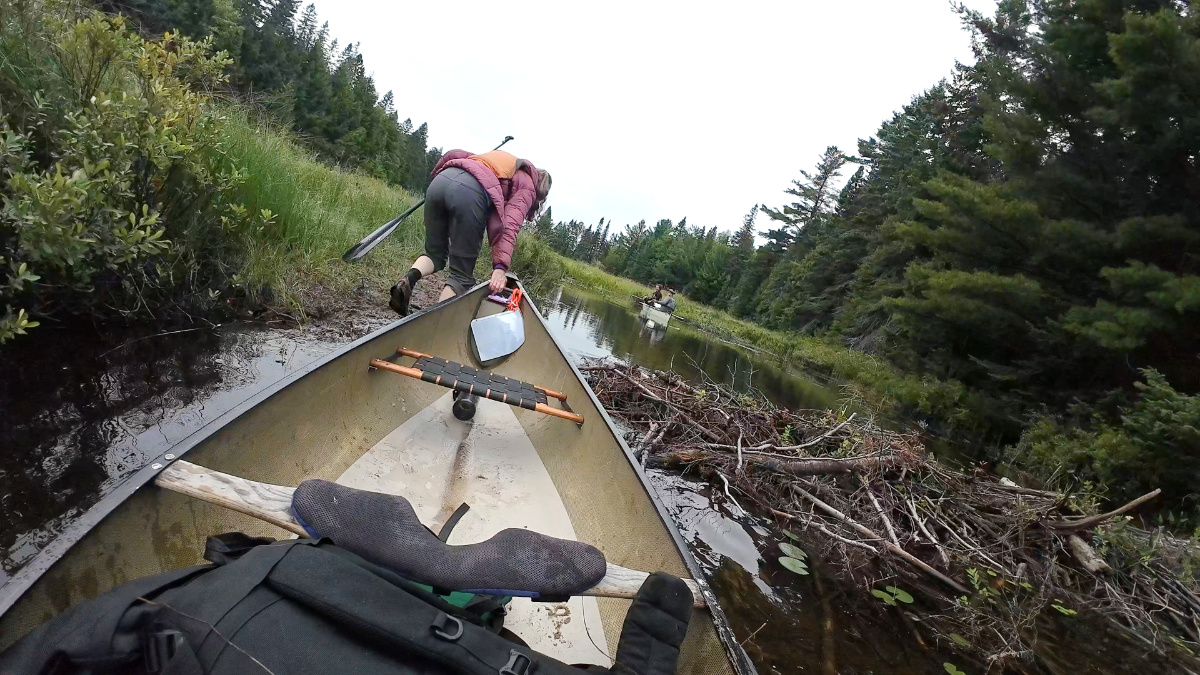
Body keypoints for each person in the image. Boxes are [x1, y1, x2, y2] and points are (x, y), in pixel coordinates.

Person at [389, 148, 552, 315]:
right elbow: (510, 226)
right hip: (470, 194)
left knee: (434, 254)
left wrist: (437, 176)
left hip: (441, 180)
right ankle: (433, 324)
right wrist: (500, 268)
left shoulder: (505, 161)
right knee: (461, 276)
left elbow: (456, 154)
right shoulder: (528, 186)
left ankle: (407, 280)